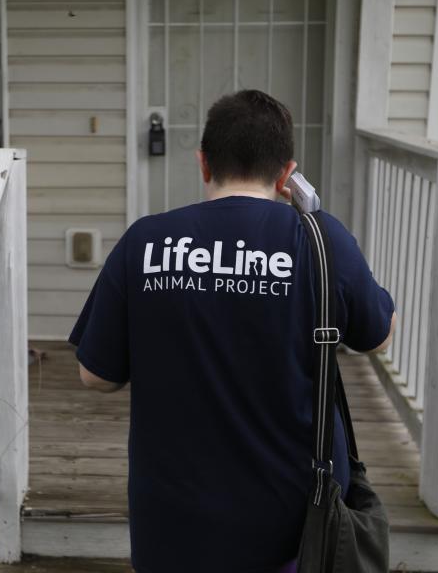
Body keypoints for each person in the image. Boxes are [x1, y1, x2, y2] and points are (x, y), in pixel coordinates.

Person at [68, 89, 396, 573]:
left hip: (174, 524)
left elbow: (96, 376)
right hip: (295, 524)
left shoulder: (145, 241)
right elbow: (378, 337)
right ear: (288, 173)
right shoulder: (322, 241)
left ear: (203, 163)